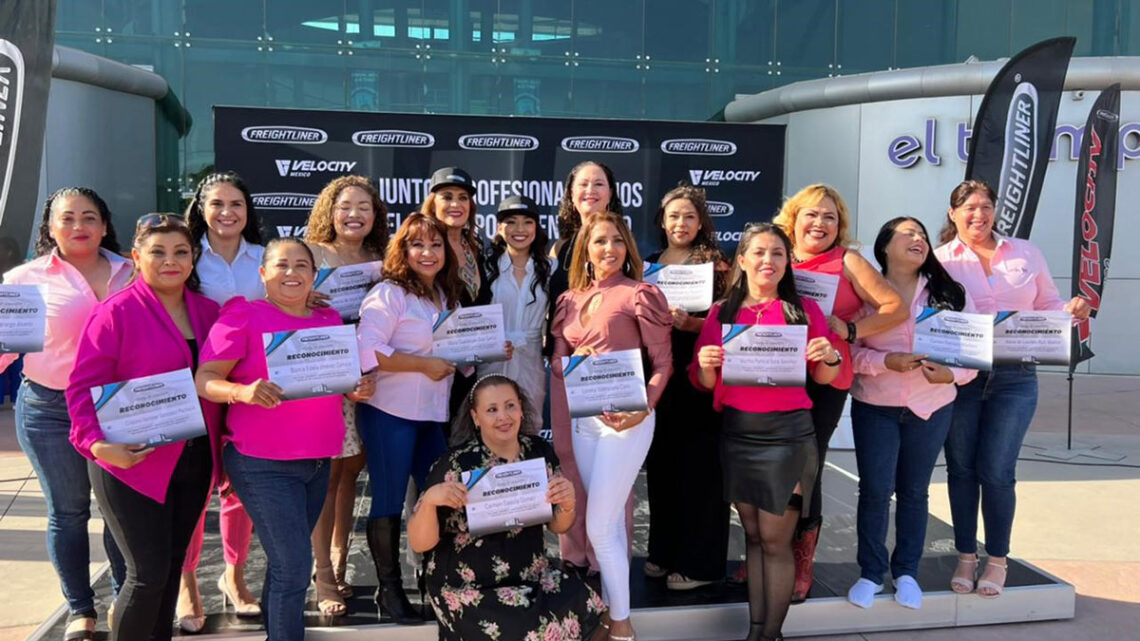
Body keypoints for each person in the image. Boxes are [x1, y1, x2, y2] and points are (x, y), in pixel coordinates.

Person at [195, 237, 374, 641]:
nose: (291, 273)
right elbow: (204, 380)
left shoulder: (327, 319)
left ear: (314, 275)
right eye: (281, 265)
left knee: (284, 565)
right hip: (261, 462)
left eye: (301, 266)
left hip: (317, 461)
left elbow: (338, 381)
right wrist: (241, 392)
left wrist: (355, 389)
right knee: (294, 565)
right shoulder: (242, 315)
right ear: (263, 274)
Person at [67, 213, 222, 641]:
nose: (170, 261)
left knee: (171, 568)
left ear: (193, 260)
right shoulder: (114, 313)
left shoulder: (209, 312)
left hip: (193, 461)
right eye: (158, 252)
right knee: (145, 574)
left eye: (180, 252)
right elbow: (80, 389)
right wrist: (97, 446)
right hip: (131, 461)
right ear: (137, 257)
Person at [934, 180, 1090, 598]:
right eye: (968, 208)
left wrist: (1071, 312)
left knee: (998, 471)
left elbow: (1047, 307)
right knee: (961, 469)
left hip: (1016, 377)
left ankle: (998, 559)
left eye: (985, 206)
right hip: (960, 378)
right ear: (953, 214)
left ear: (995, 210)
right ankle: (966, 555)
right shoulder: (939, 260)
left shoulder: (1025, 252)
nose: (978, 215)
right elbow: (927, 314)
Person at [691, 222, 842, 641]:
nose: (768, 261)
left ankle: (767, 636)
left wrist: (828, 355)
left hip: (788, 438)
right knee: (754, 538)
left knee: (776, 542)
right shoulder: (724, 312)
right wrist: (705, 363)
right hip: (739, 435)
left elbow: (826, 376)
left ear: (787, 262)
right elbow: (703, 383)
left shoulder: (804, 312)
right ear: (742, 259)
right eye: (758, 252)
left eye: (777, 253)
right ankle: (758, 631)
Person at [0, 188, 129, 640]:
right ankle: (81, 609)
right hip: (51, 409)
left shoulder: (131, 272)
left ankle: (124, 598)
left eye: (89, 217)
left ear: (105, 225)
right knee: (69, 511)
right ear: (50, 227)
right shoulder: (23, 280)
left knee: (119, 510)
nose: (79, 226)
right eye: (68, 218)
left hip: (119, 406)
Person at [772, 184, 907, 600]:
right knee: (770, 462)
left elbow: (895, 308)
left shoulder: (847, 260)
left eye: (830, 217)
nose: (820, 223)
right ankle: (769, 552)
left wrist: (849, 330)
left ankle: (802, 556)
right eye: (811, 214)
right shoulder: (775, 253)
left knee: (806, 464)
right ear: (793, 218)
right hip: (773, 369)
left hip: (825, 374)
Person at [408, 374, 607, 641]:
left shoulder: (538, 452)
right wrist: (431, 500)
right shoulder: (455, 464)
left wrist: (568, 505)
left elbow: (557, 525)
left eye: (510, 405)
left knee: (592, 607)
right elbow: (420, 543)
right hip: (468, 586)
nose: (503, 416)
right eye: (492, 410)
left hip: (529, 574)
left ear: (521, 409)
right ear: (476, 417)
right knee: (529, 632)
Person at [550, 211, 672, 641]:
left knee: (601, 524)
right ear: (586, 249)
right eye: (600, 241)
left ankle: (621, 623)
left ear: (628, 248)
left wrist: (644, 406)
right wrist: (566, 363)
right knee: (598, 520)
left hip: (627, 419)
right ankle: (611, 611)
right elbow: (561, 352)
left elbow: (663, 363)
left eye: (618, 241)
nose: (609, 249)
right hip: (585, 421)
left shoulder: (641, 294)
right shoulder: (570, 299)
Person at [846, 217, 976, 610]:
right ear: (884, 246)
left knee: (915, 493)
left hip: (931, 407)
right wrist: (887, 362)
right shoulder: (864, 293)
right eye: (909, 234)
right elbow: (849, 352)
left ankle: (906, 572)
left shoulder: (948, 292)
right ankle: (870, 572)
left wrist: (952, 374)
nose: (919, 239)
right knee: (874, 492)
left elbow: (972, 352)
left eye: (922, 235)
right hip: (875, 407)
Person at [354, 213, 463, 625]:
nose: (428, 253)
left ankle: (433, 581)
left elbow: (452, 351)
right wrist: (421, 365)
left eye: (436, 245)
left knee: (438, 499)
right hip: (389, 412)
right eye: (418, 245)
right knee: (389, 499)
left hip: (431, 415)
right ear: (403, 250)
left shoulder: (445, 296)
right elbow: (368, 348)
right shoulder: (389, 292)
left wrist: (484, 349)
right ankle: (390, 590)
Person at [179, 171, 265, 627]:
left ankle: (233, 575)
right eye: (217, 204)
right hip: (201, 383)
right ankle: (187, 580)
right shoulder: (187, 257)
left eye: (236, 203)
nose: (227, 212)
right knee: (195, 486)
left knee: (240, 487)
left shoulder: (267, 258)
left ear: (248, 211)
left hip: (254, 386)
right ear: (201, 209)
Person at [304, 175, 390, 615]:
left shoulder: (383, 258)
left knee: (349, 476)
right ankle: (322, 576)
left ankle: (339, 564)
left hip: (370, 380)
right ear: (329, 212)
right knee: (325, 475)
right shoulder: (312, 255)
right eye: (345, 205)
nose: (354, 214)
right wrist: (306, 296)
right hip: (324, 378)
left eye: (364, 207)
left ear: (375, 216)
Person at [642, 185, 731, 590]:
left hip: (700, 377)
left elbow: (731, 320)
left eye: (690, 217)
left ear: (702, 223)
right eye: (674, 216)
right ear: (662, 220)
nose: (681, 223)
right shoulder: (645, 264)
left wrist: (692, 324)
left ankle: (701, 564)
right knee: (662, 468)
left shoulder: (717, 266)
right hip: (659, 378)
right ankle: (662, 551)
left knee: (701, 471)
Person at [546, 161, 629, 575]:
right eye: (583, 184)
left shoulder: (625, 242)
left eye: (600, 182)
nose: (591, 190)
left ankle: (607, 556)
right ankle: (574, 553)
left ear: (611, 191)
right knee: (568, 459)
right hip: (568, 371)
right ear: (571, 194)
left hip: (614, 373)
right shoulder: (558, 249)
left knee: (613, 467)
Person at [420, 167, 492, 423]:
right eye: (447, 196)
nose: (456, 204)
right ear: (432, 202)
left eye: (463, 197)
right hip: (430, 367)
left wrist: (495, 342)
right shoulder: (421, 246)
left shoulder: (476, 246)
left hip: (469, 367)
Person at [477, 195, 554, 428]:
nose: (519, 229)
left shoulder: (550, 268)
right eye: (511, 222)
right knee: (490, 424)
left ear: (537, 228)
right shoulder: (484, 267)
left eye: (527, 222)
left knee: (528, 425)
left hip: (531, 361)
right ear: (499, 227)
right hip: (491, 361)